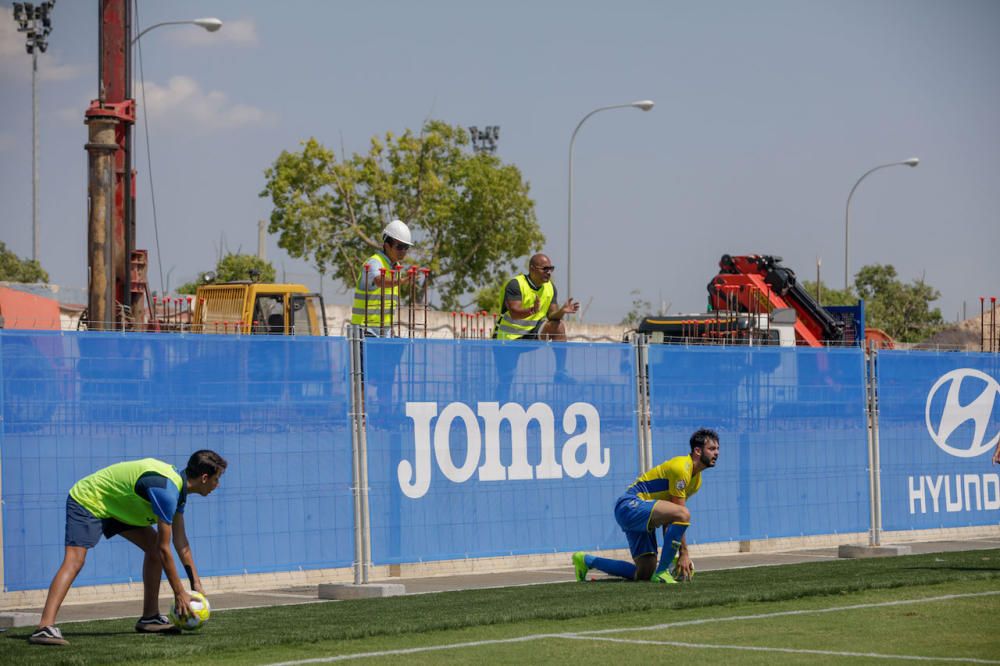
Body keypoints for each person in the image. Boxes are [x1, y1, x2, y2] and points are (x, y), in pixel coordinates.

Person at [28, 450, 228, 646]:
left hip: (117, 506)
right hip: (90, 499)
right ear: (204, 478)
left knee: (152, 548)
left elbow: (181, 541)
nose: (217, 485)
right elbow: (164, 548)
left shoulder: (178, 492)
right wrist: (179, 593)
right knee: (75, 561)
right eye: (216, 479)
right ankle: (44, 626)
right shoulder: (167, 491)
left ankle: (150, 617)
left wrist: (195, 582)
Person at [573, 428, 719, 584]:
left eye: (717, 449)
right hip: (629, 505)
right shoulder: (682, 468)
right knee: (683, 514)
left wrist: (675, 557)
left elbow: (672, 520)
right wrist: (683, 554)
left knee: (644, 573)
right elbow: (679, 513)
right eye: (711, 449)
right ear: (697, 451)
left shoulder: (696, 481)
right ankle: (662, 572)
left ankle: (586, 560)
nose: (716, 453)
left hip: (642, 513)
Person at [492, 254, 579, 398]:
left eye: (551, 269)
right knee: (505, 381)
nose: (549, 272)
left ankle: (560, 372)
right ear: (532, 269)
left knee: (558, 327)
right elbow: (514, 312)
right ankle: (499, 411)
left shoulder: (550, 288)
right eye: (545, 269)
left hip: (531, 335)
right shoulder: (515, 284)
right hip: (507, 340)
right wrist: (532, 310)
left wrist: (562, 311)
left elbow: (552, 316)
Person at [351, 219, 415, 337]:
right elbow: (379, 280)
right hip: (365, 329)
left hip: (384, 331)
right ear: (387, 245)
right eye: (399, 247)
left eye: (406, 247)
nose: (403, 251)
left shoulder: (397, 268)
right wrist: (400, 281)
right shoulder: (374, 262)